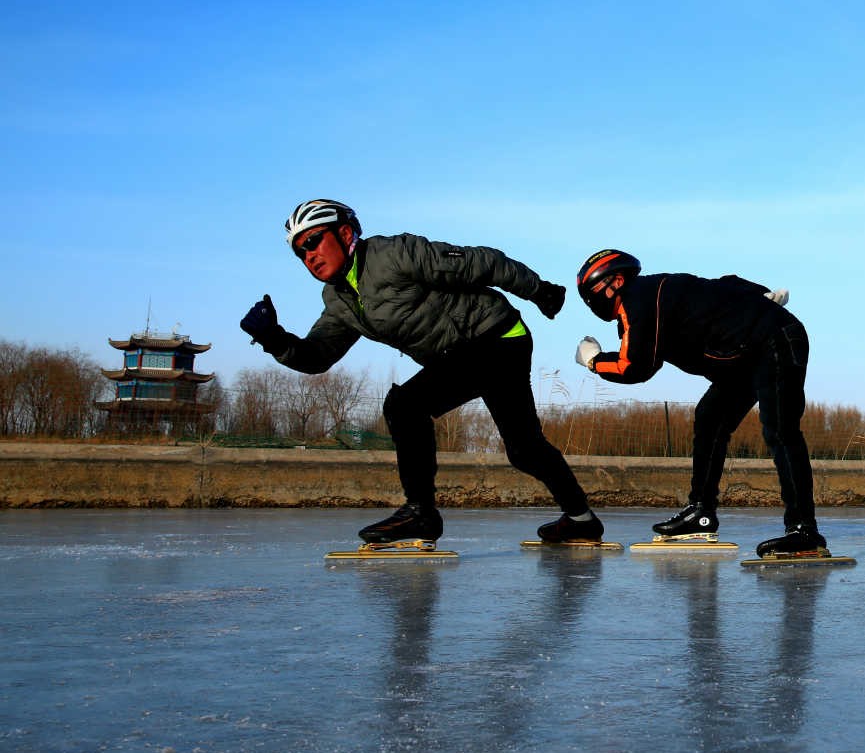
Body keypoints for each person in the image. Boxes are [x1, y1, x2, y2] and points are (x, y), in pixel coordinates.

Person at [239, 199, 603, 546]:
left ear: (346, 234)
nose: (309, 255)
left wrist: (538, 290)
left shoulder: (394, 254)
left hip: (496, 337)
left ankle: (421, 513)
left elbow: (481, 262)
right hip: (464, 354)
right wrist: (273, 338)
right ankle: (582, 519)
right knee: (524, 450)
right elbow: (317, 356)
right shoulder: (338, 300)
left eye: (314, 241)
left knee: (405, 405)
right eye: (300, 251)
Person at [572, 249, 827, 558]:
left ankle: (804, 530)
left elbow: (635, 367)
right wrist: (758, 293)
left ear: (617, 281)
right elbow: (721, 283)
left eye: (592, 293)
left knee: (780, 429)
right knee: (709, 418)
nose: (591, 302)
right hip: (745, 354)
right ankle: (701, 513)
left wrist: (594, 361)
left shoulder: (637, 298)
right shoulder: (649, 296)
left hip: (774, 339)